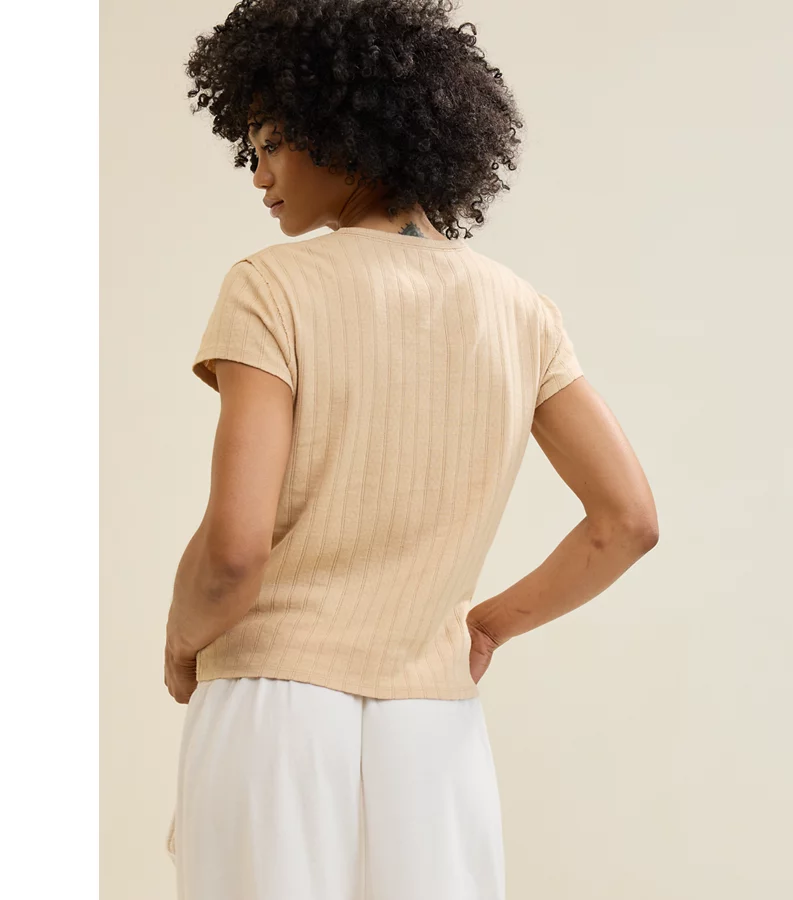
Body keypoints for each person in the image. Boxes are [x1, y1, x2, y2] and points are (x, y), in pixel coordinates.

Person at [163, 1, 659, 897]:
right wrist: (486, 626)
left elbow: (234, 552)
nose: (258, 174)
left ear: (341, 130)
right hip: (437, 733)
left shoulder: (270, 288)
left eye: (271, 143)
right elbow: (627, 519)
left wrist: (181, 636)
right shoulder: (521, 310)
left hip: (275, 712)